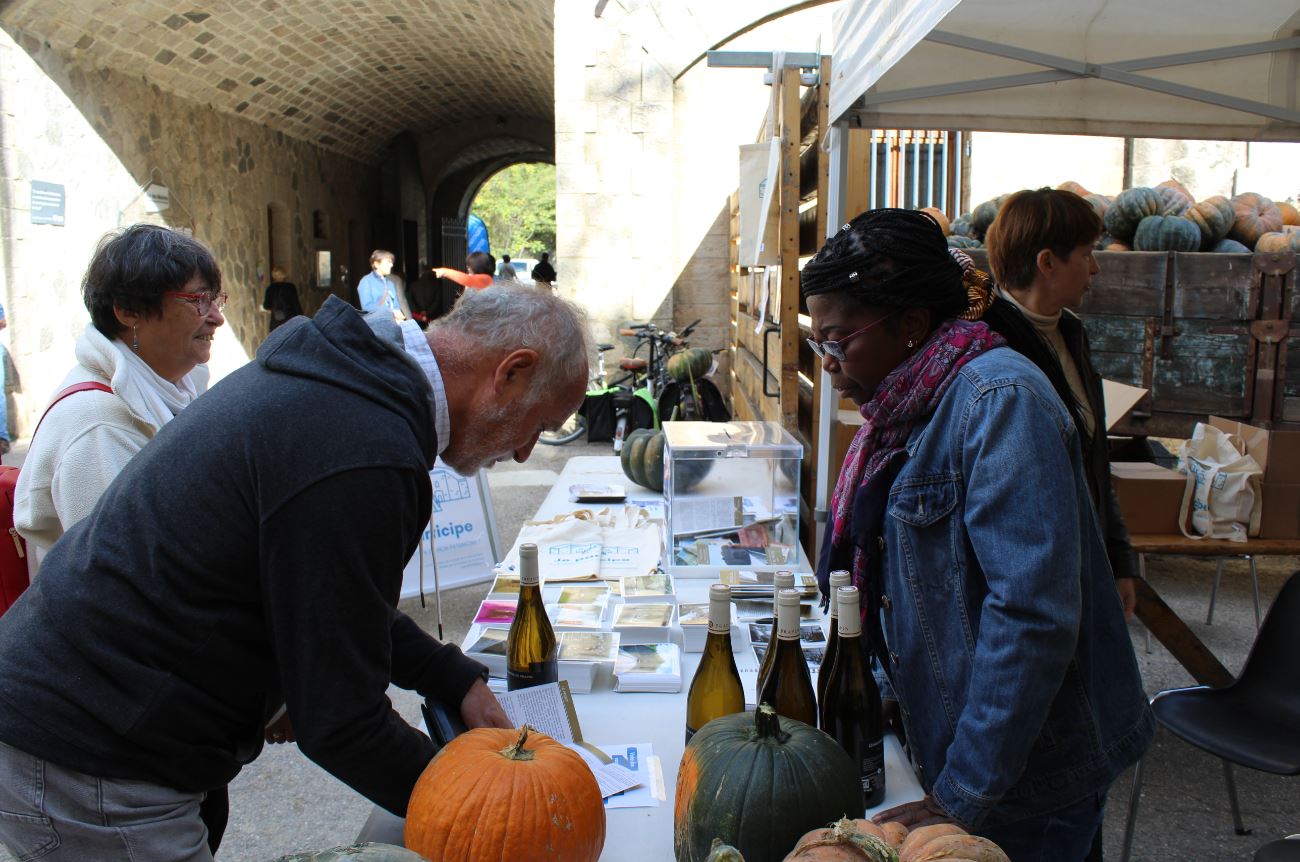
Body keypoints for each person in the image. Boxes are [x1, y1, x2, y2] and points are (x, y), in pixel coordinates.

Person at [0, 285, 589, 861]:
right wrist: (483, 806)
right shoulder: (363, 445)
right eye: (538, 424)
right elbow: (339, 719)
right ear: (510, 372)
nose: (522, 453)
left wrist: (449, 676)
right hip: (93, 752)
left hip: (105, 727)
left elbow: (332, 593)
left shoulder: (354, 390)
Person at [803, 209, 1152, 861]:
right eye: (817, 343)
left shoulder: (999, 403)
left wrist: (958, 795)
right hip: (977, 751)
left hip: (1030, 777)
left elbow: (1032, 617)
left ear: (911, 326)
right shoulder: (906, 407)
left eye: (838, 342)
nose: (826, 365)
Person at [10, 223, 229, 852]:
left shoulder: (166, 398)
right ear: (128, 311)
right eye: (197, 302)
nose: (214, 318)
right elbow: (133, 593)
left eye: (216, 300)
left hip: (141, 721)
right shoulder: (98, 427)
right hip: (94, 735)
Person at [982, 189, 1139, 622]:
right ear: (1047, 262)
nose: (1095, 267)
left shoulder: (1072, 334)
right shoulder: (987, 346)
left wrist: (1119, 560)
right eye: (1087, 254)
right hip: (1025, 593)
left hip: (1079, 571)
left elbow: (1095, 459)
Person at [357, 249, 404, 319]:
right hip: (376, 324)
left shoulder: (390, 283)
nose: (391, 265)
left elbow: (396, 306)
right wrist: (391, 311)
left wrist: (397, 312)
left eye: (391, 262)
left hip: (392, 322)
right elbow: (367, 307)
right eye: (388, 262)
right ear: (376, 264)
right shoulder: (366, 281)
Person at [261, 265, 303, 332]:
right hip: (290, 321)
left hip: (276, 322)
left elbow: (266, 306)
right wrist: (302, 318)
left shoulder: (270, 288)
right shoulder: (290, 287)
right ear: (284, 274)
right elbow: (296, 304)